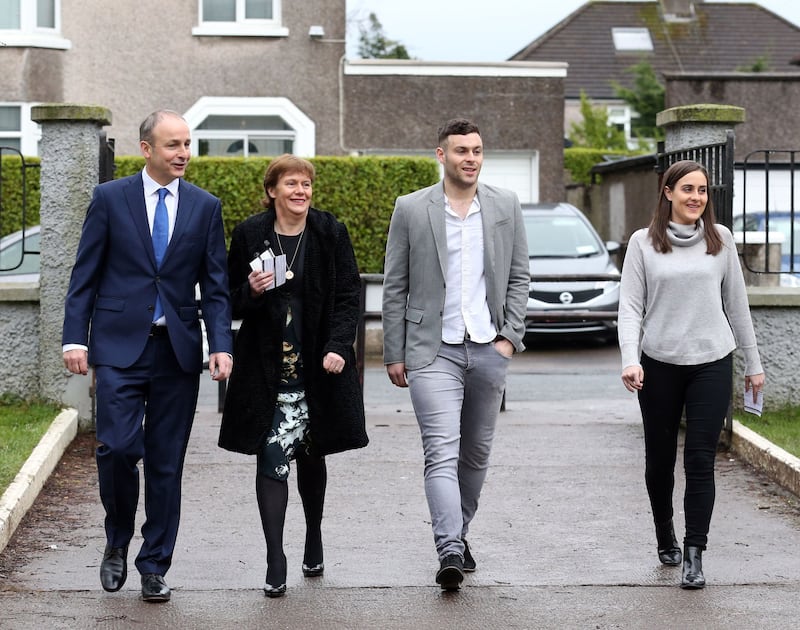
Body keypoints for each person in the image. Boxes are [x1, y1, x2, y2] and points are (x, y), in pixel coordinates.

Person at [62, 109, 233, 602]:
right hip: (117, 347)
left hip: (177, 352)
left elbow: (216, 287)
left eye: (187, 144)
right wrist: (76, 338)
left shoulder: (205, 206)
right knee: (116, 449)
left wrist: (220, 344)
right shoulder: (109, 199)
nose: (183, 153)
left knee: (166, 463)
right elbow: (84, 275)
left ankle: (154, 564)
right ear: (146, 149)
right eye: (173, 145)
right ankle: (117, 540)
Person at [382, 118, 529, 591]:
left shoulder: (505, 205)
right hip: (431, 350)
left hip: (489, 346)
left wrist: (509, 337)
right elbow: (395, 285)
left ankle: (460, 532)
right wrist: (394, 351)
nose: (471, 158)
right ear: (441, 155)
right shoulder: (411, 208)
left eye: (478, 150)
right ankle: (448, 545)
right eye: (461, 150)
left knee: (477, 453)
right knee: (440, 452)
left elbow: (521, 275)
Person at [218, 154, 368, 598]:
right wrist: (251, 291)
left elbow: (347, 294)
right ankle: (274, 556)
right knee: (271, 456)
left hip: (318, 367)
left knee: (311, 454)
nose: (301, 191)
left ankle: (314, 535)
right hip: (267, 371)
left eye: (306, 184)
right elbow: (228, 300)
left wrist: (340, 346)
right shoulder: (250, 234)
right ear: (272, 191)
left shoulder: (328, 231)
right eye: (292, 184)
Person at [618, 159, 765, 590]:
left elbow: (737, 306)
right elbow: (630, 307)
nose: (696, 197)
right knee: (659, 461)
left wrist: (753, 365)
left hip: (711, 361)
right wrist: (631, 358)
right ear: (668, 193)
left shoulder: (721, 241)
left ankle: (694, 553)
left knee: (701, 458)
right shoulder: (643, 243)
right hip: (659, 363)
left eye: (702, 190)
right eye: (687, 189)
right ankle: (664, 530)